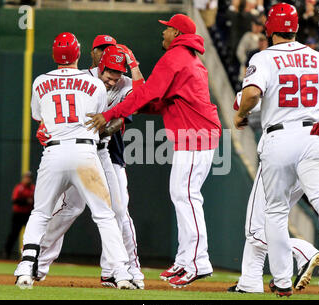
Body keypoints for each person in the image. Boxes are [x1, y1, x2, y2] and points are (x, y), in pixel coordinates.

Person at [86, 13, 222, 288]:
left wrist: (112, 112)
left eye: (166, 29)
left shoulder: (176, 57)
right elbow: (153, 100)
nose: (163, 34)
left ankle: (198, 260)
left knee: (186, 195)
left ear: (176, 31)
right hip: (196, 134)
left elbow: (145, 94)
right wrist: (135, 90)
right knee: (182, 195)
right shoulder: (187, 58)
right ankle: (186, 260)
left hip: (196, 134)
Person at [233, 3, 319, 297]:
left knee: (274, 213)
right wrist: (308, 104)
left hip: (280, 137)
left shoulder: (264, 57)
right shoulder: (318, 58)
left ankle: (283, 281)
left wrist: (241, 115)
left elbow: (251, 93)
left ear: (269, 28)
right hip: (314, 136)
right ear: (296, 28)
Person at [14, 32, 133, 290]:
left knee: (40, 212)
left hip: (53, 152)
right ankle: (121, 273)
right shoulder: (97, 85)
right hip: (86, 154)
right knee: (104, 215)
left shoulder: (39, 81)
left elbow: (40, 118)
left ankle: (26, 266)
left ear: (54, 55)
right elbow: (100, 120)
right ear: (80, 54)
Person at [229, 93, 319, 294]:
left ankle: (303, 252)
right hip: (311, 162)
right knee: (265, 223)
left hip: (279, 157)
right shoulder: (316, 90)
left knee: (254, 230)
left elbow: (243, 99)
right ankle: (249, 281)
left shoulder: (277, 76)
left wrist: (241, 112)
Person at [4, 172, 35, 259]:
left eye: (29, 178)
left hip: (28, 215)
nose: (28, 179)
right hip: (18, 214)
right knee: (13, 234)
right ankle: (7, 253)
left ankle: (30, 255)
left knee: (31, 234)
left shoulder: (33, 188)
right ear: (23, 178)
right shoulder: (19, 187)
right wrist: (26, 201)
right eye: (26, 177)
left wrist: (30, 202)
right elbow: (14, 201)